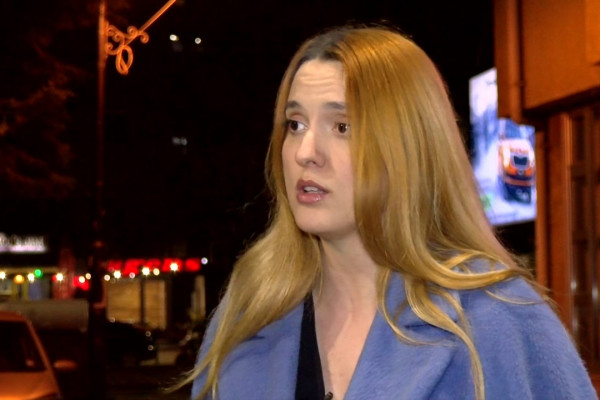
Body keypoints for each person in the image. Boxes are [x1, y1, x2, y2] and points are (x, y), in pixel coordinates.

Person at [183, 25, 597, 399]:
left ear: (408, 147)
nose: (305, 153)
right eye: (296, 124)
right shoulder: (251, 309)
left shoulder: (497, 316)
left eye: (341, 127)